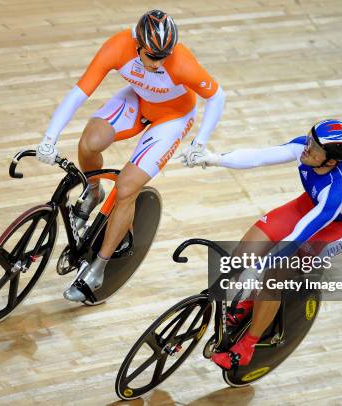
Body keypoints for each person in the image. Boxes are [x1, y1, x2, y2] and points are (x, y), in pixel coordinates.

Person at [36, 10, 226, 302]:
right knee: (90, 143)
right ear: (137, 43)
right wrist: (49, 138)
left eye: (164, 56)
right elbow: (79, 92)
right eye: (152, 56)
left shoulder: (182, 62)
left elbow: (217, 96)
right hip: (138, 99)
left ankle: (97, 269)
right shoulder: (118, 47)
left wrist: (199, 143)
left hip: (173, 118)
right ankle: (93, 193)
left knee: (126, 187)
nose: (159, 63)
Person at [185, 119, 342, 369]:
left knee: (271, 276)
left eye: (314, 147)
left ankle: (247, 345)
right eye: (309, 139)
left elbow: (304, 232)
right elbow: (259, 157)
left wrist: (264, 265)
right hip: (307, 206)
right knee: (243, 255)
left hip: (333, 229)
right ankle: (248, 303)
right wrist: (214, 158)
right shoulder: (307, 149)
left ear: (331, 161)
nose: (307, 146)